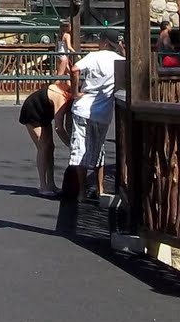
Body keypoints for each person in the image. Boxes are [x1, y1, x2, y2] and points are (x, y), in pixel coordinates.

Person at [64, 36, 123, 199]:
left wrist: (75, 92)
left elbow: (75, 69)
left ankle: (81, 191)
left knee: (80, 149)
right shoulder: (120, 60)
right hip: (103, 111)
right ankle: (101, 189)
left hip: (83, 106)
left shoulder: (93, 56)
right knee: (98, 149)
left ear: (104, 42)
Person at [18, 76, 73, 196]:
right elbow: (59, 127)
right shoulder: (62, 98)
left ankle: (51, 184)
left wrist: (73, 140)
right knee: (43, 147)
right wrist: (70, 145)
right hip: (32, 110)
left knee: (51, 147)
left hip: (44, 113)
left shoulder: (70, 97)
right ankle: (43, 186)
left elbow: (68, 123)